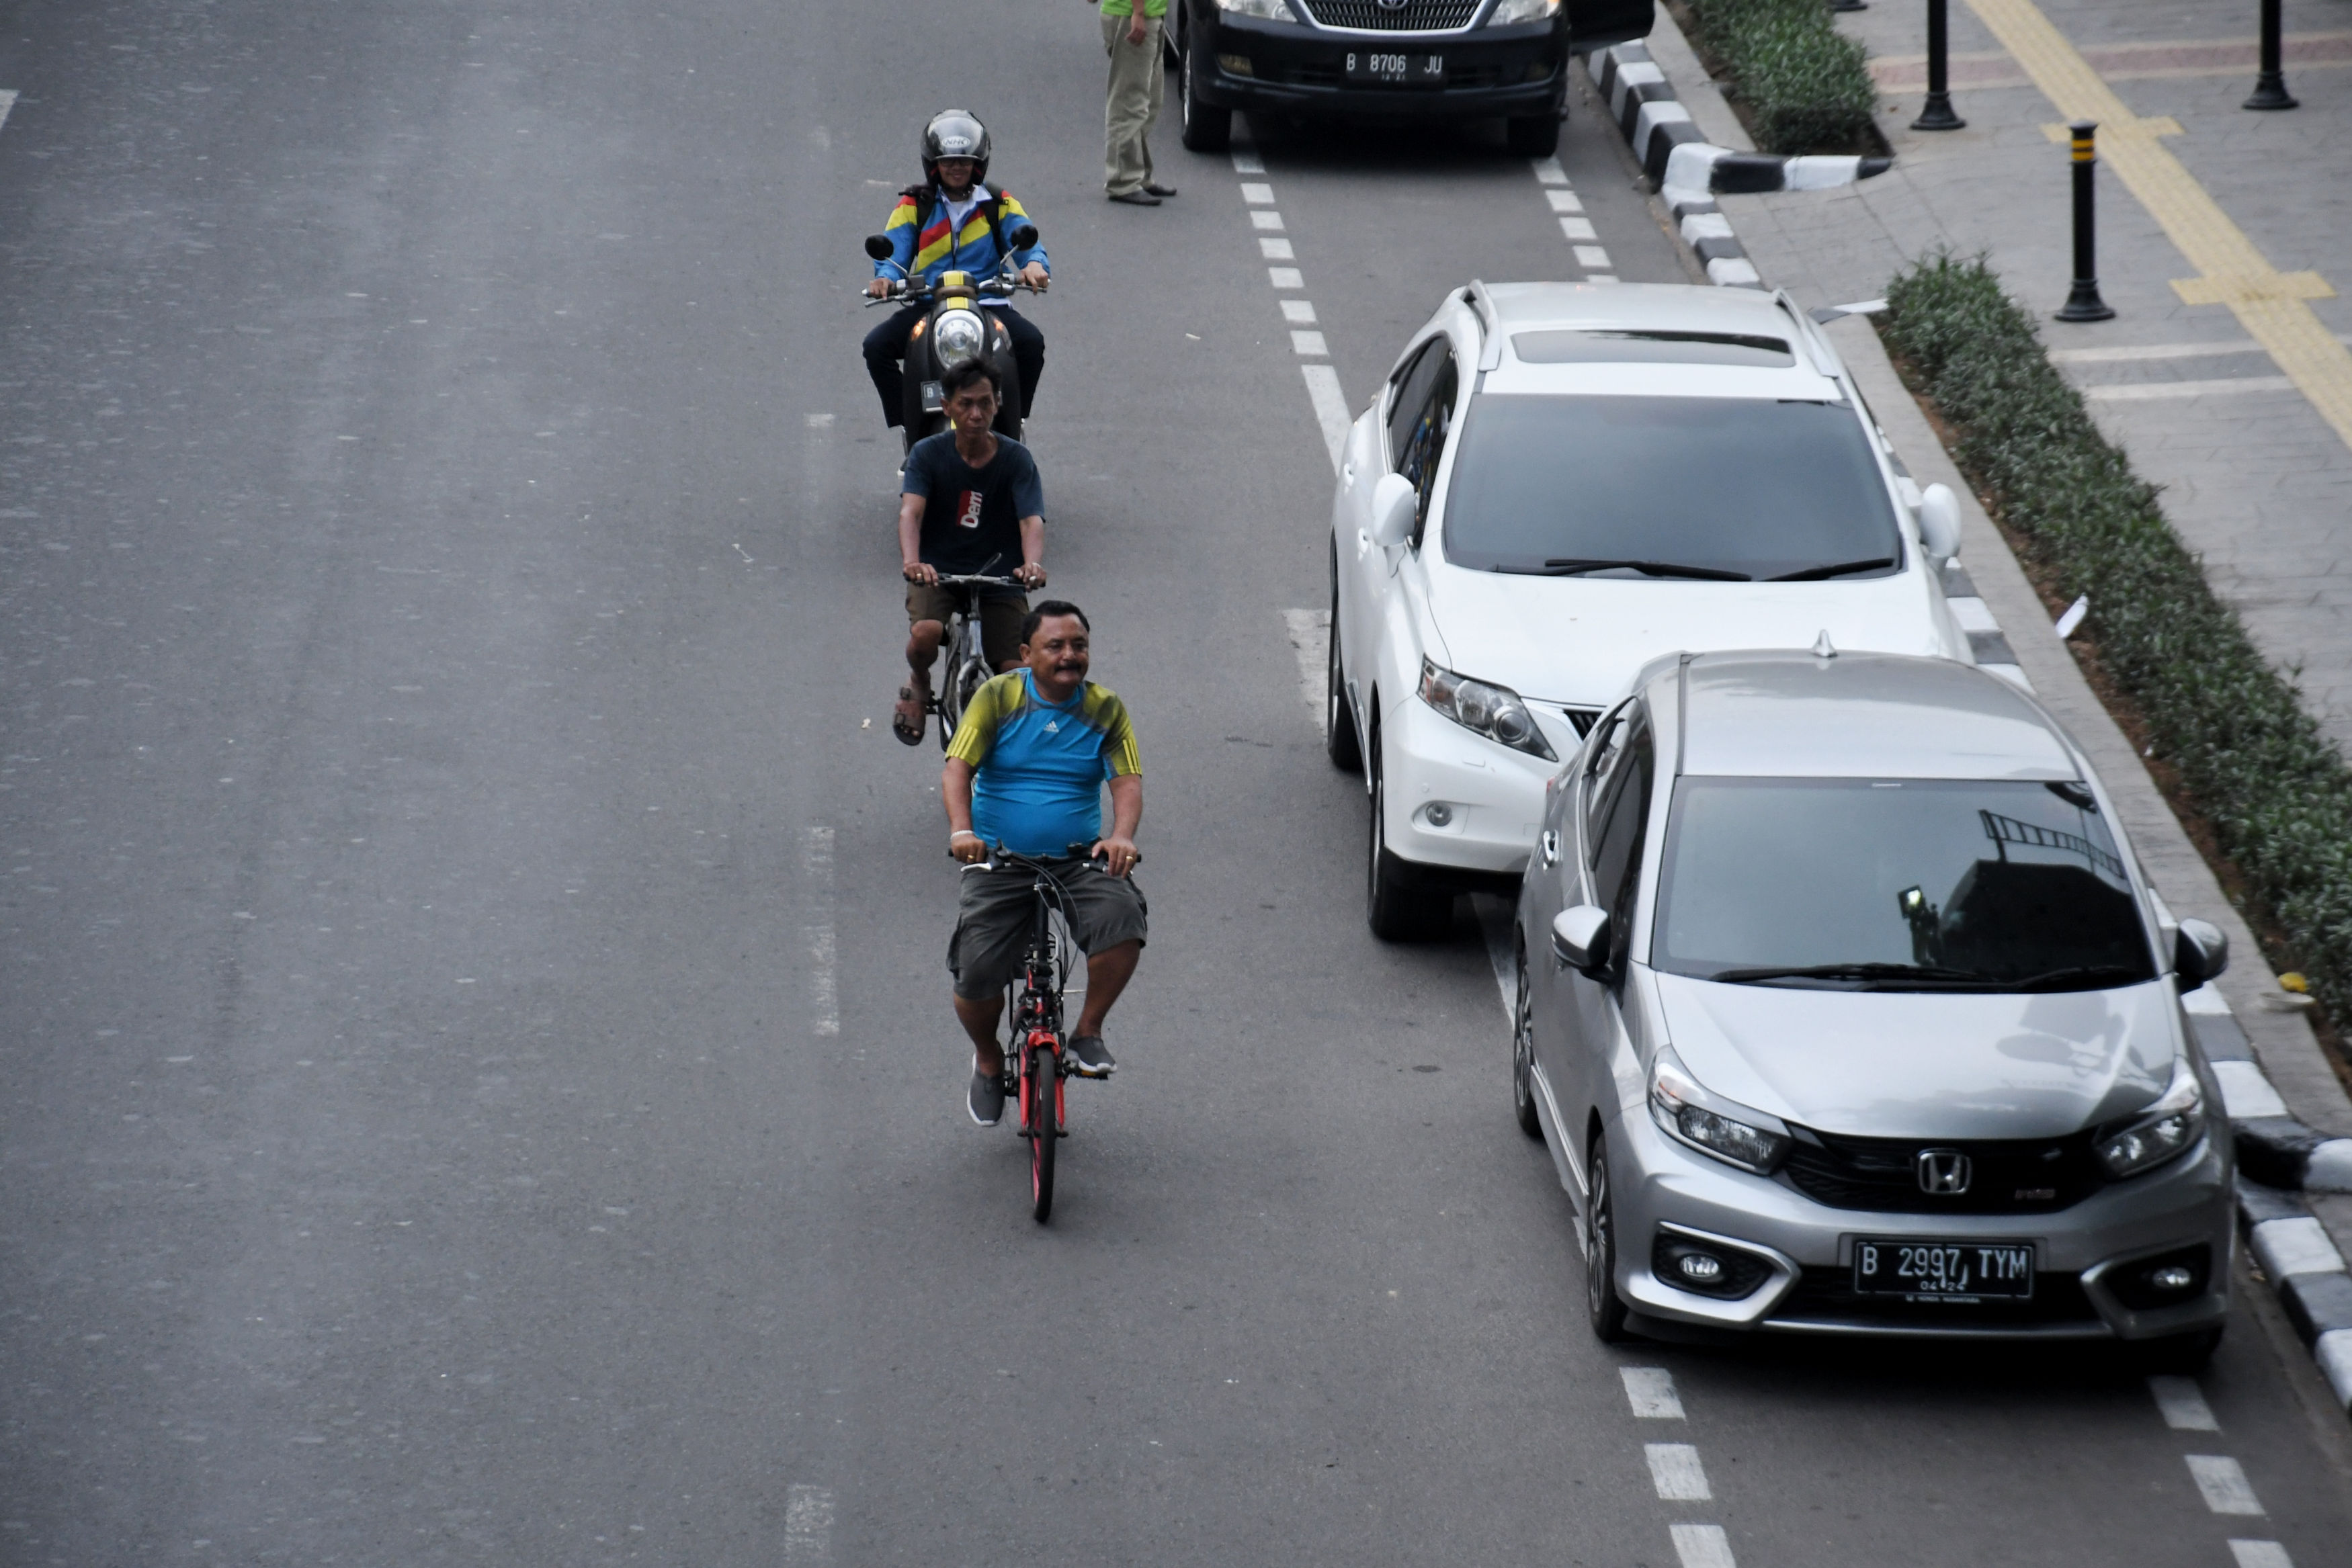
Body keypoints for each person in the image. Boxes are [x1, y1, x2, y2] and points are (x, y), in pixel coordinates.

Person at [943, 601, 1145, 1126]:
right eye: (1055, 646)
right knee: (977, 973)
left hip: (1077, 859)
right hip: (1001, 860)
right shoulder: (997, 697)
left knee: (1123, 921)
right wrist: (963, 832)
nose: (1069, 655)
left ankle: (1087, 1032)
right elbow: (958, 768)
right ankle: (988, 1061)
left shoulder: (1106, 708)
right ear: (1027, 654)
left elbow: (1125, 782)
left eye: (1078, 645)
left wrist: (1121, 837)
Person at [864, 110, 1051, 429]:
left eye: (964, 161)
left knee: (1031, 343)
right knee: (876, 347)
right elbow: (892, 251)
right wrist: (885, 279)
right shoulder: (914, 205)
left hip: (987, 305)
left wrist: (1034, 265)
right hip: (928, 305)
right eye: (948, 161)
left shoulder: (997, 202)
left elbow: (1026, 239)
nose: (956, 167)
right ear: (933, 164)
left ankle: (1014, 421)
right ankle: (909, 424)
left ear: (978, 164)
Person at [894, 360, 1047, 745]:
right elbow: (911, 512)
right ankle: (920, 679)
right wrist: (913, 563)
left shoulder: (1017, 460)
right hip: (937, 573)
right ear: (947, 407)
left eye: (985, 403)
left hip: (999, 577)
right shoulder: (927, 454)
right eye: (965, 404)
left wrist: (1032, 564)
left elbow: (1031, 521)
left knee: (1016, 673)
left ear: (998, 404)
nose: (976, 414)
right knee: (926, 633)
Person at [1100, 1, 1177, 206]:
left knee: (1150, 102)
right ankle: (1122, 180)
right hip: (1132, 16)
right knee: (1128, 103)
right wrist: (1138, 13)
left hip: (1150, 15)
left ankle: (1138, 174)